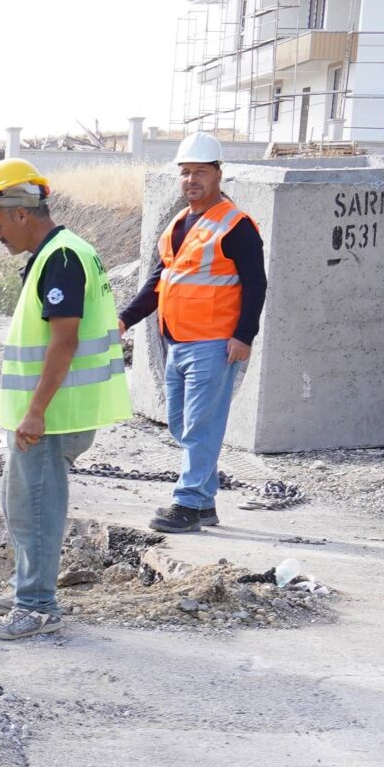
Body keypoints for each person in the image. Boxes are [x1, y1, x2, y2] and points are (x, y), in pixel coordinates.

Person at [0, 158, 133, 641]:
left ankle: (36, 604)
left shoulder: (61, 257)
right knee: (20, 500)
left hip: (54, 413)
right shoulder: (61, 253)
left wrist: (36, 411)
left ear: (19, 212)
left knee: (36, 505)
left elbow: (64, 341)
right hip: (51, 410)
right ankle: (26, 586)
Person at [119, 133, 267, 535]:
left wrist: (244, 335)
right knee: (181, 424)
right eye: (185, 172)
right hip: (177, 342)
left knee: (201, 424)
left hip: (215, 343)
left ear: (219, 173)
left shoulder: (236, 225)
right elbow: (160, 278)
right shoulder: (179, 224)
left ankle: (187, 503)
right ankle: (205, 503)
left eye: (200, 172)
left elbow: (256, 283)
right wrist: (125, 319)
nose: (191, 180)